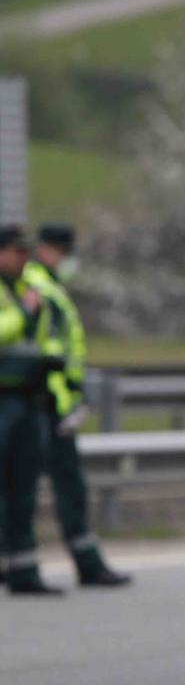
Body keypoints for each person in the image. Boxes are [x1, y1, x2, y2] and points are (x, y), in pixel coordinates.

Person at [24, 224, 130, 587]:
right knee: (62, 485)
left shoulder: (45, 285)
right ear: (48, 249)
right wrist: (63, 393)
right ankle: (83, 562)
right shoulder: (37, 287)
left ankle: (28, 563)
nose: (69, 260)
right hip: (45, 402)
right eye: (64, 252)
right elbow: (46, 348)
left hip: (46, 399)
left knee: (35, 485)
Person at [0, 225, 63, 595]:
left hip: (27, 398)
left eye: (27, 252)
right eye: (16, 252)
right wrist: (23, 315)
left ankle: (23, 571)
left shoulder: (27, 289)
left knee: (24, 487)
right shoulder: (21, 299)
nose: (24, 259)